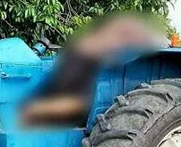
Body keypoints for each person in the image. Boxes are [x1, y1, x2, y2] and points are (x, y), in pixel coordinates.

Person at [22, 14, 166, 125]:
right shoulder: (78, 58)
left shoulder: (118, 62)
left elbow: (78, 102)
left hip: (87, 110)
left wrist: (36, 110)